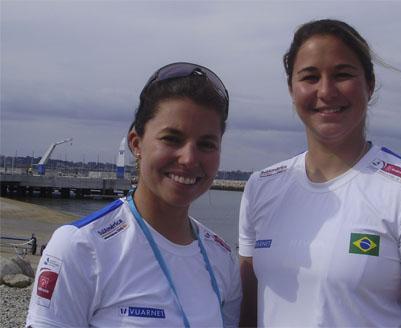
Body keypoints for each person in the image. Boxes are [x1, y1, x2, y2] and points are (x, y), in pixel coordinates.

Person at [239, 19, 401, 327]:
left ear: (369, 85)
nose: (326, 91)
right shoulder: (260, 187)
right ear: (292, 89)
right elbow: (248, 315)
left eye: (342, 75)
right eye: (310, 77)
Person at [26, 62, 242, 327]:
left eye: (206, 144)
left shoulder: (220, 257)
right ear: (136, 143)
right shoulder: (81, 247)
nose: (188, 158)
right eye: (172, 139)